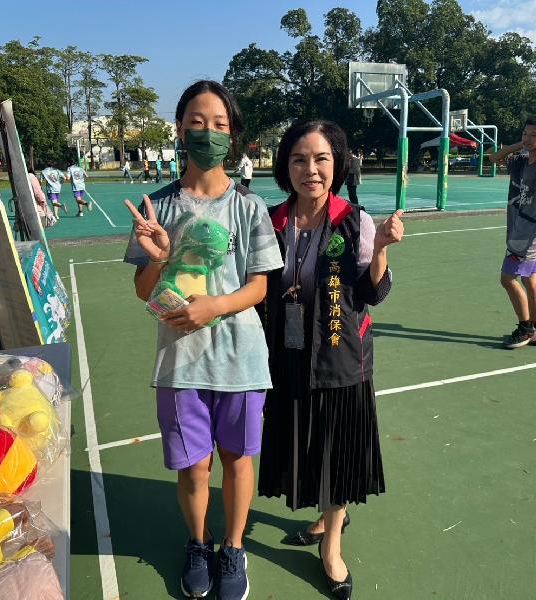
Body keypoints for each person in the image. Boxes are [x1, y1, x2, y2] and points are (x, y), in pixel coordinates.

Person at [122, 80, 283, 600]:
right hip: (180, 362)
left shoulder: (250, 207)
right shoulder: (157, 207)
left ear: (232, 135)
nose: (207, 133)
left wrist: (215, 305)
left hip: (240, 358)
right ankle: (199, 542)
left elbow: (260, 286)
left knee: (237, 459)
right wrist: (158, 257)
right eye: (196, 122)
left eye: (219, 124)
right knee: (194, 467)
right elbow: (144, 291)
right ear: (179, 129)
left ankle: (233, 547)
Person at [257, 120, 404, 600]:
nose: (311, 170)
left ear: (337, 164)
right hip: (287, 357)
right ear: (286, 167)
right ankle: (327, 516)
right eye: (299, 159)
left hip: (340, 360)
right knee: (305, 447)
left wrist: (380, 249)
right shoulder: (272, 221)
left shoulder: (354, 220)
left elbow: (372, 293)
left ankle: (332, 545)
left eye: (321, 159)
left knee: (337, 452)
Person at [487, 113, 536, 349]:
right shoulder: (522, 160)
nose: (528, 139)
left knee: (507, 278)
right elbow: (493, 158)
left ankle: (525, 329)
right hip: (519, 228)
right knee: (530, 278)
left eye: (534, 135)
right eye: (525, 134)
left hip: (529, 234)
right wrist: (519, 145)